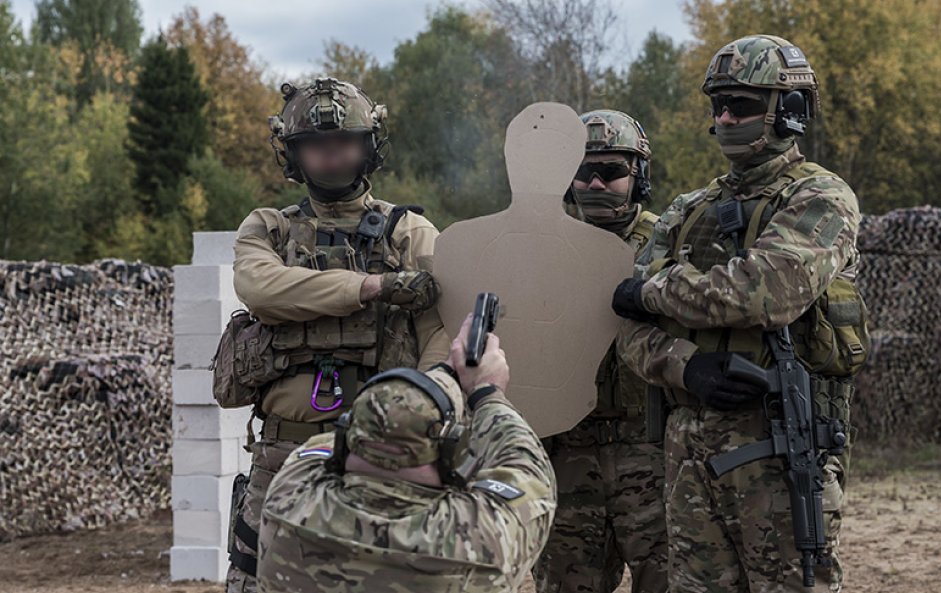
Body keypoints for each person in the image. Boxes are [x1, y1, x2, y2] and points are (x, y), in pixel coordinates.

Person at [611, 35, 868, 592]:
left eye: (743, 106)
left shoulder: (820, 199)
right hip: (686, 457)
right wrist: (685, 368)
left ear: (789, 112)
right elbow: (626, 328)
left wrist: (654, 292)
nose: (725, 118)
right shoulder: (686, 209)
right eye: (718, 105)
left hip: (775, 450)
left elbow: (764, 293)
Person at [224, 77, 449, 592]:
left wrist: (417, 422)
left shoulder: (409, 232)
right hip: (283, 455)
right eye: (316, 146)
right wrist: (372, 286)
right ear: (294, 154)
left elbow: (439, 334)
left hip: (380, 456)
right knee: (262, 580)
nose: (332, 156)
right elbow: (260, 288)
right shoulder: (269, 228)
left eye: (344, 142)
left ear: (368, 147)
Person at [256, 313, 557, 592]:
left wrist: (433, 380)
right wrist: (486, 390)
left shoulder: (288, 500)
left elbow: (323, 448)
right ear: (450, 451)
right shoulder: (479, 541)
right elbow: (528, 467)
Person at [533, 109, 667, 593]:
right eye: (583, 172)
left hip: (651, 449)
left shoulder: (667, 242)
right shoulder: (539, 247)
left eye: (611, 172)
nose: (595, 183)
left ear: (638, 176)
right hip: (568, 452)